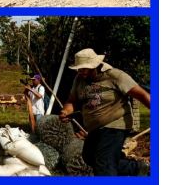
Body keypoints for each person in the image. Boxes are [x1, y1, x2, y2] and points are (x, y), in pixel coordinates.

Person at [59, 48, 151, 176]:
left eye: (84, 68)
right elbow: (72, 100)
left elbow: (141, 94)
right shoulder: (79, 79)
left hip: (115, 125)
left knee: (103, 163)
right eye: (79, 69)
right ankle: (137, 168)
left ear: (95, 65)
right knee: (89, 157)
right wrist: (66, 111)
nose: (81, 72)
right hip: (95, 128)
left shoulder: (115, 75)